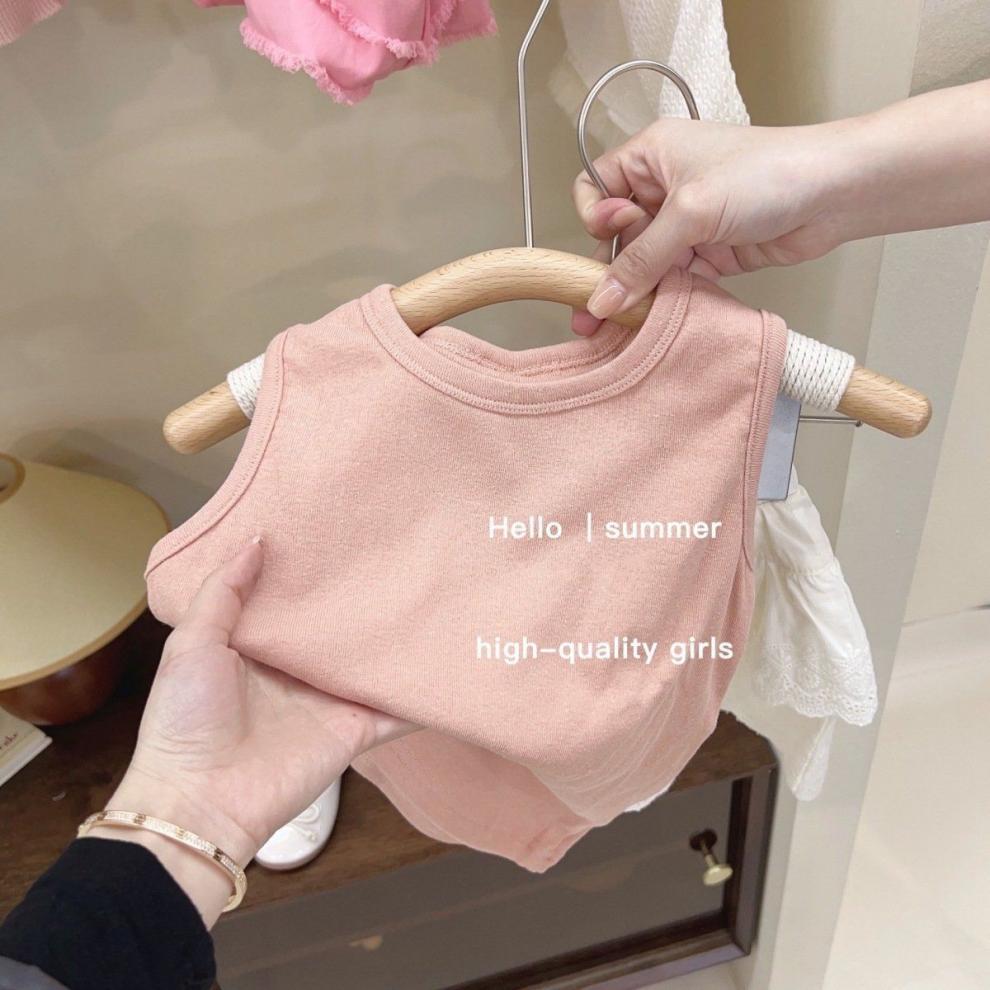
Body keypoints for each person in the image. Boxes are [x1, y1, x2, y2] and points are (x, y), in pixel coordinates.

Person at [1, 78, 988, 990]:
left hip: (490, 770)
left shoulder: (718, 373)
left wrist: (179, 819)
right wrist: (185, 818)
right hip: (402, 763)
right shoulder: (328, 378)